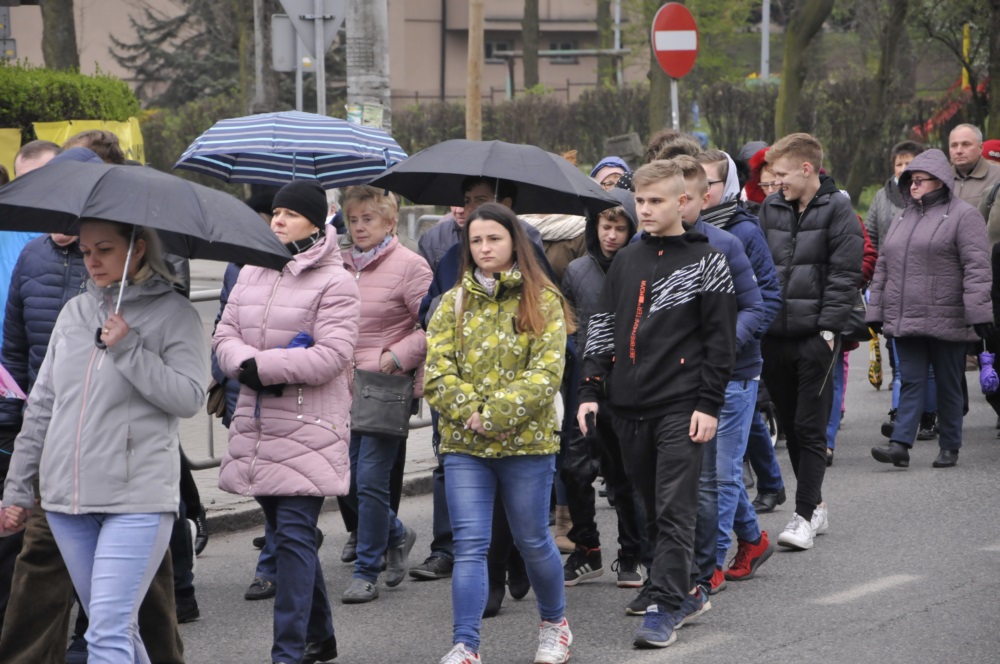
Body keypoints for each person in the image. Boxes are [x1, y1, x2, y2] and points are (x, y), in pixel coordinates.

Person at [0, 148, 186, 664]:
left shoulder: (173, 313)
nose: (93, 260)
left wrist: (128, 348)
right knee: (118, 630)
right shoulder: (74, 312)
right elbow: (41, 403)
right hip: (64, 497)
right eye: (86, 251)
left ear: (139, 248)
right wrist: (17, 487)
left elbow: (187, 398)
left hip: (136, 495)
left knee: (107, 631)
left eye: (104, 248)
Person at [579, 159, 737, 649]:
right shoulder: (626, 260)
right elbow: (603, 324)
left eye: (655, 202)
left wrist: (709, 404)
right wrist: (589, 389)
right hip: (626, 407)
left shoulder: (709, 261)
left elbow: (720, 342)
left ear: (682, 203)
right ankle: (684, 587)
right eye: (639, 202)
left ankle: (665, 606)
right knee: (647, 505)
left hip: (681, 405)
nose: (644, 211)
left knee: (674, 508)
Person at [214, 179, 360, 664]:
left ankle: (288, 652)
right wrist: (243, 363)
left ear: (316, 223)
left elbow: (334, 355)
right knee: (286, 534)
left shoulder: (336, 279)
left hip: (308, 424)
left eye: (289, 214)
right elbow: (225, 331)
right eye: (274, 212)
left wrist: (264, 365)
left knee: (295, 536)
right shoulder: (253, 268)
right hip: (257, 424)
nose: (276, 220)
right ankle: (321, 635)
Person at [425, 202, 574, 664]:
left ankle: (555, 625)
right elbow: (436, 372)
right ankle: (466, 645)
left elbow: (546, 375)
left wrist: (492, 417)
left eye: (494, 238)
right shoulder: (452, 302)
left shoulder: (544, 299)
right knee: (470, 544)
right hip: (464, 446)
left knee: (532, 539)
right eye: (476, 241)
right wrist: (470, 413)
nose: (485, 248)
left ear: (515, 243)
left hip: (527, 445)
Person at [757, 133, 863, 552]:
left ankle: (804, 515)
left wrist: (828, 331)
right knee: (791, 427)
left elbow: (843, 275)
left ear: (807, 169)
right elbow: (762, 269)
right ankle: (815, 503)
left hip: (816, 337)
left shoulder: (839, 208)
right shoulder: (771, 207)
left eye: (781, 175)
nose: (775, 183)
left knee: (809, 425)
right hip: (774, 338)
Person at [867, 149, 993, 469]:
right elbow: (884, 266)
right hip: (905, 315)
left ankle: (950, 445)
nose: (912, 185)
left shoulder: (965, 216)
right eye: (909, 180)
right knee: (911, 381)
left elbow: (977, 267)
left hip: (946, 315)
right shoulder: (902, 217)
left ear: (940, 181)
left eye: (919, 180)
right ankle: (900, 445)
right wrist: (877, 311)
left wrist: (979, 314)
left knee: (949, 383)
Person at [337, 185, 431, 604]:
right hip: (337, 386)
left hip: (384, 386)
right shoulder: (336, 264)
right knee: (346, 481)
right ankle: (398, 533)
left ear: (391, 222)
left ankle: (365, 571)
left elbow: (433, 324)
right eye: (353, 220)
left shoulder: (411, 266)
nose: (358, 227)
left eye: (368, 219)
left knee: (371, 479)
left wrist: (398, 354)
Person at [694, 150, 782, 585]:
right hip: (692, 373)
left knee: (721, 474)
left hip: (736, 370)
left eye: (710, 182)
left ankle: (708, 564)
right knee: (710, 473)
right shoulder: (676, 234)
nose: (702, 191)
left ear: (724, 185)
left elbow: (767, 300)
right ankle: (753, 538)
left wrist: (727, 344)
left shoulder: (743, 231)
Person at [560, 189, 642, 589]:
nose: (611, 235)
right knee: (575, 469)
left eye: (620, 228)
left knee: (623, 475)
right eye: (605, 227)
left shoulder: (639, 265)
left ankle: (631, 553)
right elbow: (571, 324)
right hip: (585, 384)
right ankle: (587, 548)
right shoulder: (577, 271)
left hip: (629, 386)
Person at [0, 141, 60, 349]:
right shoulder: (6, 227)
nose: (32, 189)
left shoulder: (86, 236)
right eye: (23, 180)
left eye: (40, 178)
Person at [949, 124, 1000, 209]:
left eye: (966, 144)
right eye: (954, 145)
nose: (958, 151)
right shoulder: (940, 179)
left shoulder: (997, 176)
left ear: (980, 148)